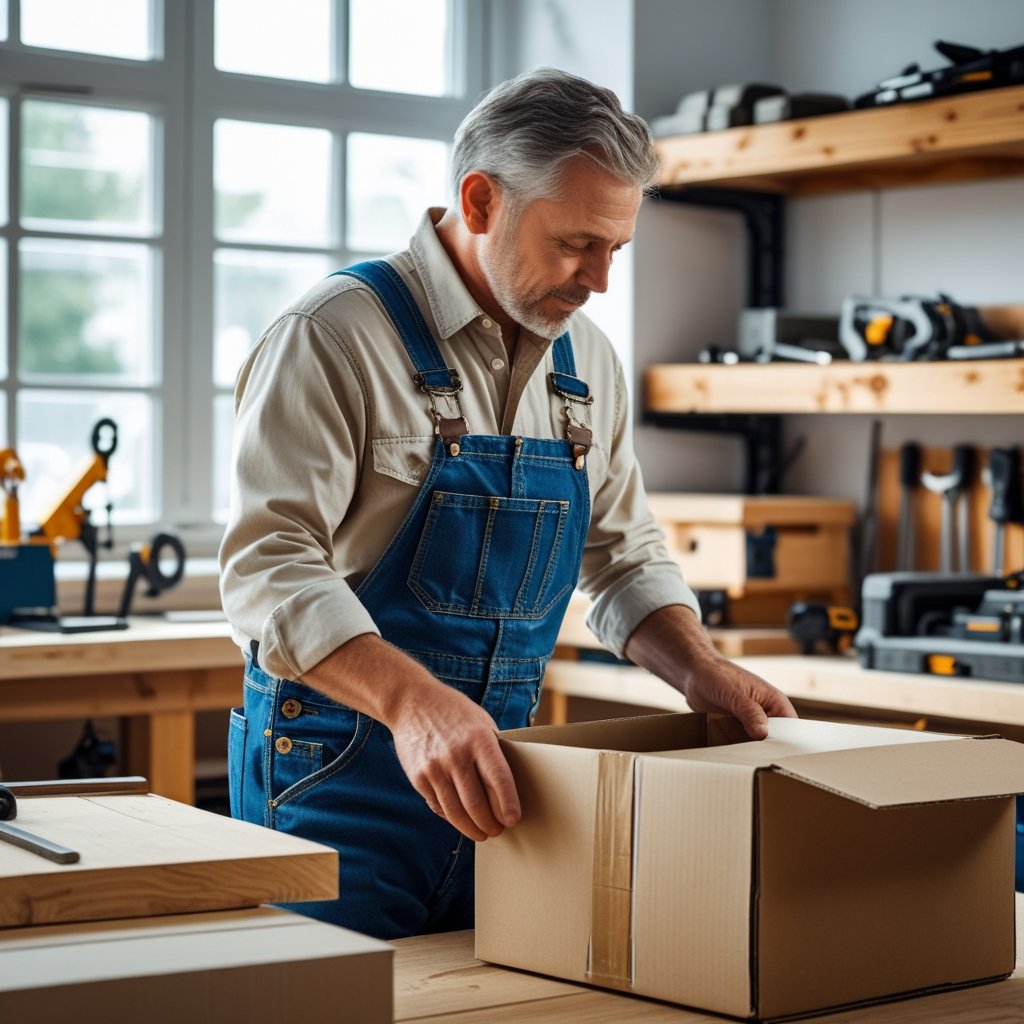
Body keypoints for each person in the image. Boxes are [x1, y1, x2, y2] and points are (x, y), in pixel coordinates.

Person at [219, 67, 796, 941]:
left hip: (503, 780)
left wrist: (697, 669)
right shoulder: (333, 336)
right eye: (575, 244)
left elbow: (623, 554)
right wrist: (417, 706)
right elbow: (268, 569)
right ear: (481, 201)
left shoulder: (586, 362)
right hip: (333, 781)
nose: (599, 279)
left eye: (616, 249)